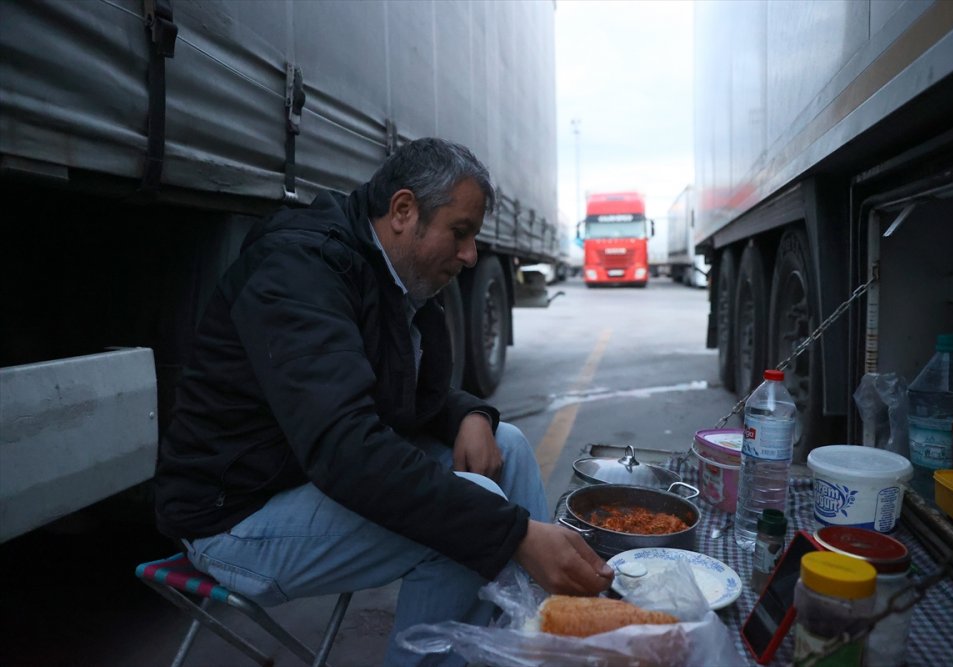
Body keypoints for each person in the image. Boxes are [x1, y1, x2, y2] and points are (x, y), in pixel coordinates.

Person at [154, 137, 614, 666]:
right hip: (233, 518)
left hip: (300, 475)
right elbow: (345, 449)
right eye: (459, 232)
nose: (470, 256)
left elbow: (394, 390)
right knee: (468, 525)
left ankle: (533, 636)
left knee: (504, 445)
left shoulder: (385, 272)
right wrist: (515, 534)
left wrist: (466, 413)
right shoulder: (299, 271)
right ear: (402, 211)